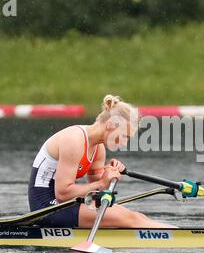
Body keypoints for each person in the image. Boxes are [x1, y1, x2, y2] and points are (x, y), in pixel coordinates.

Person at [28, 94, 176, 228]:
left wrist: (109, 175)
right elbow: (63, 194)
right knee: (130, 219)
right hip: (46, 207)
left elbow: (99, 194)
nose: (124, 143)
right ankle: (184, 239)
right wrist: (101, 182)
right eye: (125, 136)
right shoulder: (74, 140)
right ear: (111, 125)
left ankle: (178, 236)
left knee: (138, 217)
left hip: (64, 203)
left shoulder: (99, 148)